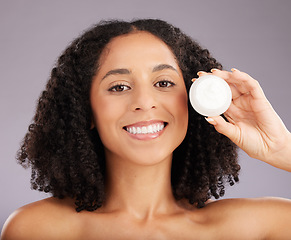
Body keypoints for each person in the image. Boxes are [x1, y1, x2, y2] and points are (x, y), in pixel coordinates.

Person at [1, 19, 291, 239]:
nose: (144, 102)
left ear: (193, 102)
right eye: (119, 87)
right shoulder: (37, 229)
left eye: (163, 83)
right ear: (85, 110)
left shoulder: (264, 226)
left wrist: (282, 150)